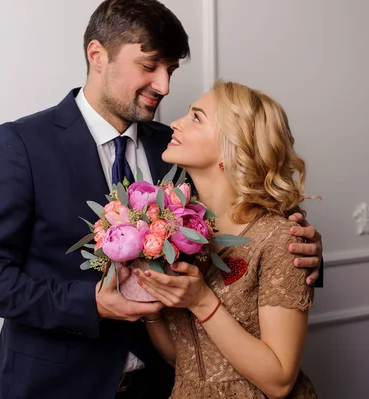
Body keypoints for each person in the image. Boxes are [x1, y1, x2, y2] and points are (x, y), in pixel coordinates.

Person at [0, 1, 323, 398]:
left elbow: (245, 227)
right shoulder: (22, 145)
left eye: (171, 70)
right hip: (55, 385)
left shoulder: (175, 147)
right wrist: (91, 303)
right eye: (149, 67)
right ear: (97, 55)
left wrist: (306, 249)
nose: (164, 86)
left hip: (166, 384)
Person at [135, 80, 319, 398]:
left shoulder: (280, 238)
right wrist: (148, 302)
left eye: (196, 117)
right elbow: (184, 358)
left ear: (231, 148)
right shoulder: (175, 232)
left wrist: (201, 300)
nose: (175, 123)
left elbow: (279, 382)